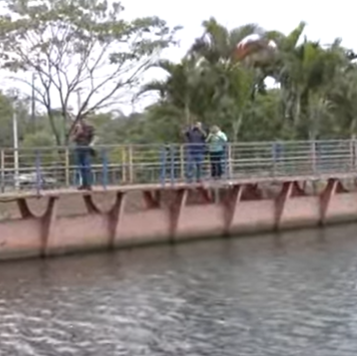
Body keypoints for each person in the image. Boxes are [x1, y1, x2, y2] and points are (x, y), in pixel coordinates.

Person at [72, 118, 96, 190]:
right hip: (79, 149)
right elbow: (73, 139)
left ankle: (88, 184)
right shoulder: (77, 128)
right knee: (81, 168)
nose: (82, 122)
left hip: (86, 149)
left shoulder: (89, 128)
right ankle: (83, 184)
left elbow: (93, 137)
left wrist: (91, 144)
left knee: (87, 167)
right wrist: (78, 132)